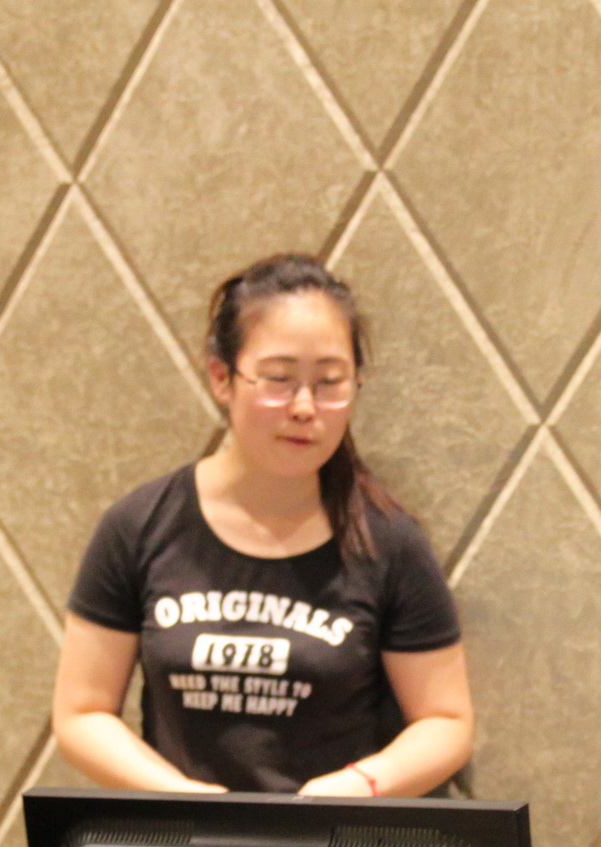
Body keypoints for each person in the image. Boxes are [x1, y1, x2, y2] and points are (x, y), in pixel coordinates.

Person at [54, 254, 472, 797]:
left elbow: (445, 721)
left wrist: (357, 787)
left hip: (336, 840)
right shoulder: (137, 526)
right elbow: (82, 713)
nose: (304, 407)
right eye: (278, 379)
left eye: (329, 382)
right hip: (189, 839)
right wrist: (182, 798)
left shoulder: (389, 543)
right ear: (221, 377)